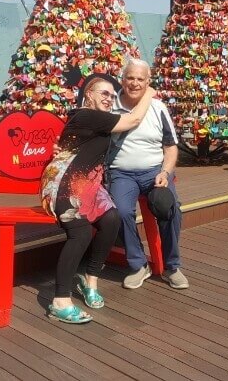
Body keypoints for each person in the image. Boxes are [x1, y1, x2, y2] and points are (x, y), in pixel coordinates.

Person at [40, 73, 156, 324]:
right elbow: (134, 119)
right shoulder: (85, 114)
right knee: (80, 233)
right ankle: (60, 301)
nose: (109, 98)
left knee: (111, 219)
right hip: (65, 185)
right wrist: (148, 91)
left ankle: (89, 279)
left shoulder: (97, 120)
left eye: (112, 96)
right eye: (104, 93)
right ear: (88, 95)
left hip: (89, 186)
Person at [108, 59, 188, 290]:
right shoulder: (110, 105)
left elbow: (171, 147)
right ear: (122, 79)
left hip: (154, 172)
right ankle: (138, 264)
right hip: (121, 173)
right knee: (120, 212)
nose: (134, 83)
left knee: (170, 208)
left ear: (148, 82)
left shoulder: (158, 108)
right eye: (130, 77)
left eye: (140, 79)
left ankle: (172, 266)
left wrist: (165, 172)